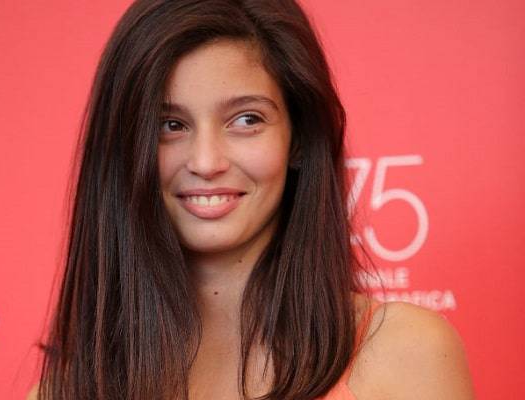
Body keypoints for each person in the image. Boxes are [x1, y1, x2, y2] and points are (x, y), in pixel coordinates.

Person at [29, 0, 475, 399]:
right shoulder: (64, 392)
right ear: (124, 150)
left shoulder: (405, 353)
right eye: (170, 125)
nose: (206, 161)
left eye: (246, 119)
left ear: (298, 138)